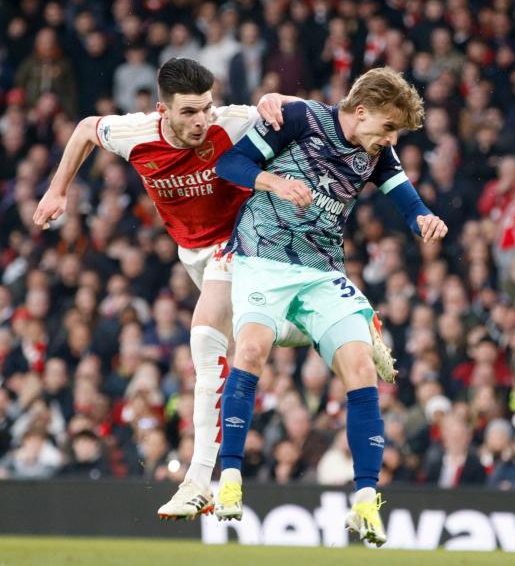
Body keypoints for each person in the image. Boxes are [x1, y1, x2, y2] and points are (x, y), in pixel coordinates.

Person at [31, 57, 310, 520]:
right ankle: (352, 319)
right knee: (254, 342)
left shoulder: (232, 123)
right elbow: (83, 129)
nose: (201, 120)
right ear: (163, 110)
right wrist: (58, 190)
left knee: (204, 341)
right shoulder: (136, 135)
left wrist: (281, 99)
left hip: (245, 238)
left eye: (206, 107)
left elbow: (314, 114)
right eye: (188, 112)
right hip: (193, 254)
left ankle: (198, 479)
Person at [212, 67, 447, 547]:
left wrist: (423, 217)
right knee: (252, 348)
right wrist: (273, 183)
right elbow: (229, 165)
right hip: (264, 258)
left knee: (361, 367)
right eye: (388, 127)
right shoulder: (298, 118)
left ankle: (365, 499)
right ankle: (230, 477)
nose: (390, 138)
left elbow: (404, 195)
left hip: (322, 271)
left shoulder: (375, 151)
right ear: (361, 111)